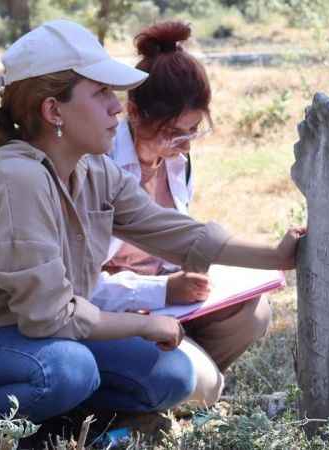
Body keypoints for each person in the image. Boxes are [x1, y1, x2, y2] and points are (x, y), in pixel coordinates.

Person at [0, 19, 304, 429]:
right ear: (54, 110)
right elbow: (50, 318)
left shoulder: (90, 169)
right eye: (101, 93)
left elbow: (170, 230)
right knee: (67, 370)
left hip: (31, 340)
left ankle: (72, 425)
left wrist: (274, 256)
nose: (117, 106)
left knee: (172, 375)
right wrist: (146, 324)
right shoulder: (16, 180)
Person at [90, 21, 270, 407]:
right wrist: (161, 291)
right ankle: (161, 390)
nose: (184, 145)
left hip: (164, 297)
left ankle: (174, 383)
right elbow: (80, 288)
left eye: (193, 131)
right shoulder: (98, 167)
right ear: (133, 112)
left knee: (254, 313)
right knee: (196, 381)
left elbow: (178, 237)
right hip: (114, 308)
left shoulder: (178, 163)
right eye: (173, 132)